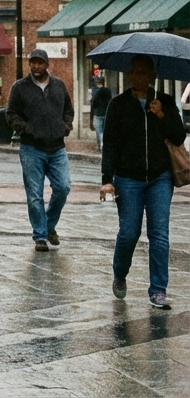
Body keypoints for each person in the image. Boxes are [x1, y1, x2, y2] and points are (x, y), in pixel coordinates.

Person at [100, 55, 187, 310]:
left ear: (152, 75)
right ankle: (120, 272)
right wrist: (107, 180)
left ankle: (158, 290)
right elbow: (110, 145)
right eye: (134, 72)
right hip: (128, 179)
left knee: (159, 234)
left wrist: (162, 115)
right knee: (129, 233)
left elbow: (179, 136)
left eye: (142, 72)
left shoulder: (165, 101)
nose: (137, 76)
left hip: (160, 177)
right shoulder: (118, 104)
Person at [6, 49, 75, 252]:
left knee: (63, 188)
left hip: (57, 147)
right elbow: (11, 114)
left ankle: (49, 225)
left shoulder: (59, 85)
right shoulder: (20, 87)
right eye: (33, 63)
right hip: (31, 148)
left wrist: (66, 126)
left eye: (40, 63)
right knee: (35, 195)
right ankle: (40, 236)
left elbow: (68, 110)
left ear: (47, 64)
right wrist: (27, 129)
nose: (36, 66)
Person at [89, 75, 112, 151]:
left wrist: (91, 118)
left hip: (98, 114)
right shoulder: (108, 90)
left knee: (99, 132)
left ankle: (100, 147)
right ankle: (105, 147)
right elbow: (110, 102)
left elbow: (93, 104)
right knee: (105, 132)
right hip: (106, 113)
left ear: (96, 82)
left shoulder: (94, 91)